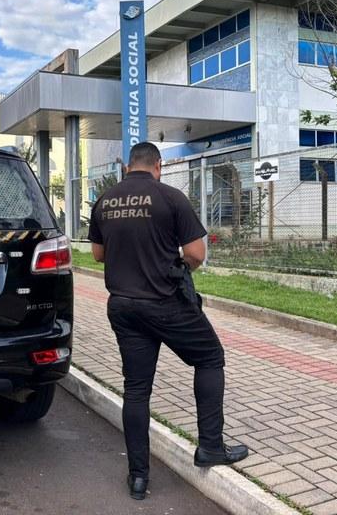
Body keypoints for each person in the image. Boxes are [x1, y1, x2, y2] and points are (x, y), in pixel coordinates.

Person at [88, 142, 248, 501]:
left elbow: (98, 254)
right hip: (165, 303)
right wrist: (174, 265)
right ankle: (210, 446)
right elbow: (196, 253)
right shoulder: (170, 197)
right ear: (158, 166)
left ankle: (138, 477)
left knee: (136, 390)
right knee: (210, 357)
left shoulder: (106, 200)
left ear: (128, 167)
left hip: (123, 306)